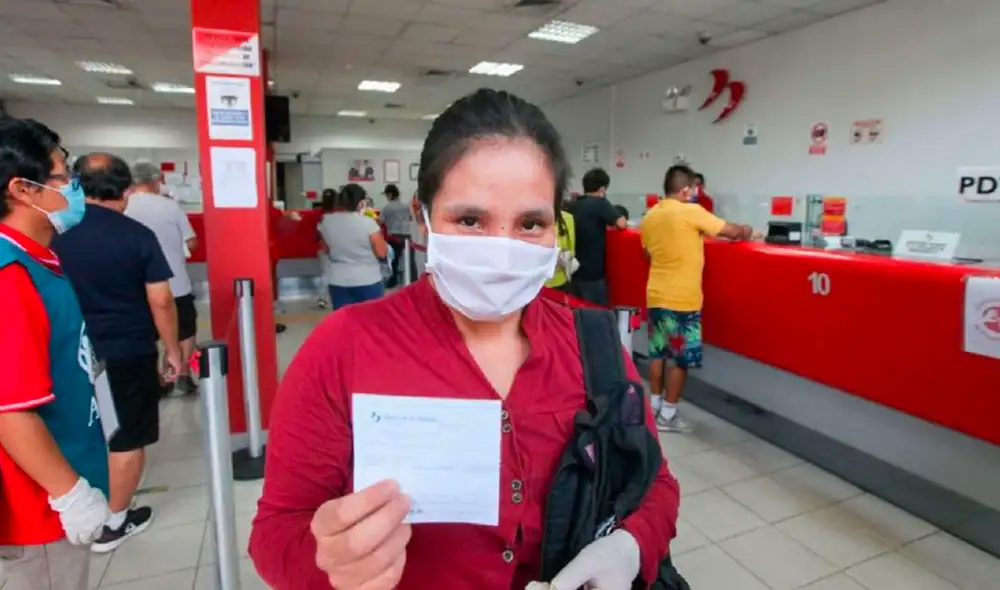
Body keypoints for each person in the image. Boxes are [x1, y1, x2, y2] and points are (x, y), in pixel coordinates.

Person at [248, 88, 679, 589]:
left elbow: (655, 485)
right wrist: (328, 562)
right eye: (470, 220)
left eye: (530, 223)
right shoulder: (345, 347)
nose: (501, 249)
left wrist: (629, 546)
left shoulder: (593, 344)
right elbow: (277, 532)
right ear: (423, 217)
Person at [0, 118, 111, 590]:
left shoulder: (39, 261)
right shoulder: (10, 277)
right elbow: (8, 410)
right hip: (39, 508)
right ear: (24, 189)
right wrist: (70, 494)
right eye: (64, 176)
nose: (74, 188)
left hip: (64, 473)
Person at [51, 153, 181, 552]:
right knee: (125, 438)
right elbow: (160, 300)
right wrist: (173, 351)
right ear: (126, 192)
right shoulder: (135, 235)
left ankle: (71, 507)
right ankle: (113, 523)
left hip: (65, 352)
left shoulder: (51, 232)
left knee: (78, 429)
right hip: (126, 351)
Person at [639, 164, 759, 432]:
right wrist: (748, 230)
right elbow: (731, 231)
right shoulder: (691, 211)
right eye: (694, 188)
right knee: (681, 360)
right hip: (682, 299)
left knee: (658, 354)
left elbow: (647, 254)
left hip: (656, 295)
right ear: (685, 190)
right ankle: (668, 416)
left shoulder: (651, 215)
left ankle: (656, 406)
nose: (696, 192)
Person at [125, 162, 199, 396]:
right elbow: (191, 243)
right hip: (175, 282)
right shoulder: (170, 207)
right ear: (157, 181)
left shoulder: (123, 206)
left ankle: (158, 378)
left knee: (148, 333)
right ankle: (183, 373)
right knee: (184, 329)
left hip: (137, 286)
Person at [317, 183, 388, 309]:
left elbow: (326, 249)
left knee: (345, 324)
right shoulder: (369, 223)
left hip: (338, 280)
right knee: (370, 323)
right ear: (361, 203)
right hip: (368, 279)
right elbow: (382, 252)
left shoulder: (326, 221)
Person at [565, 167, 626, 305]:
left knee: (576, 314)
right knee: (596, 314)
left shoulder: (572, 205)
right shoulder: (600, 203)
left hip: (573, 272)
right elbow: (621, 223)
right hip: (593, 275)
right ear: (602, 188)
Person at [379, 183, 412, 288]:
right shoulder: (406, 205)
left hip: (394, 236)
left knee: (393, 260)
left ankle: (392, 282)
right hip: (407, 236)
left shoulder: (387, 207)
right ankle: (408, 279)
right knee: (407, 259)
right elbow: (411, 218)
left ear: (390, 194)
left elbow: (380, 221)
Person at [543, 209, 576, 293]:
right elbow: (571, 247)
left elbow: (571, 246)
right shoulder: (567, 217)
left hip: (558, 276)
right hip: (554, 275)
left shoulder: (567, 217)